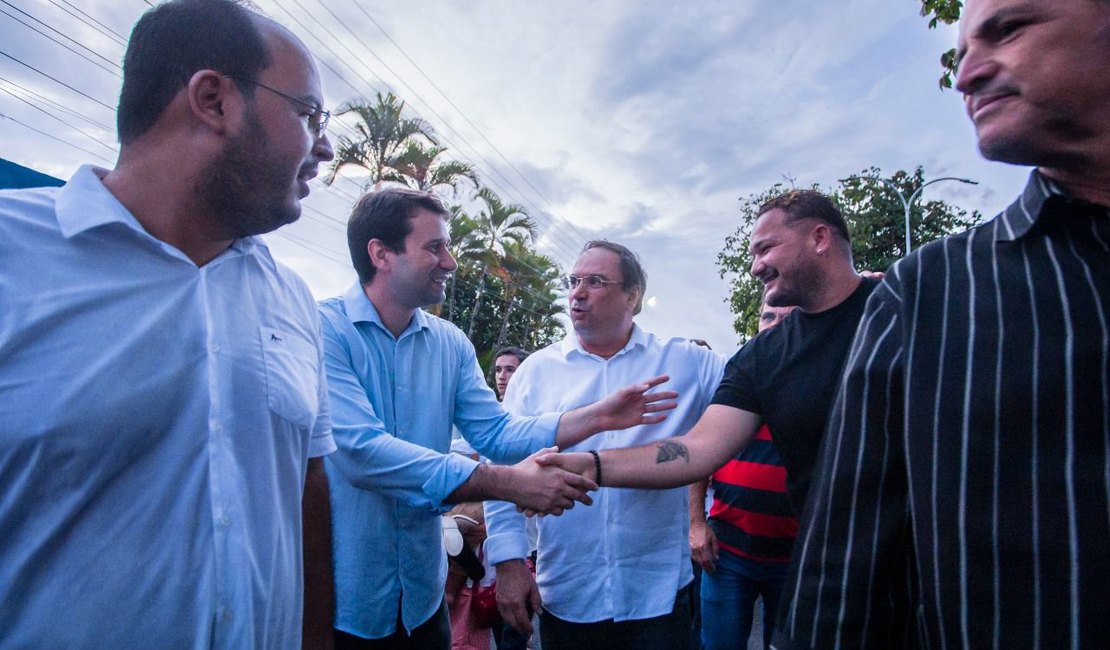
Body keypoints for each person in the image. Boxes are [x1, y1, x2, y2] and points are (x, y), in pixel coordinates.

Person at [0, 0, 336, 647]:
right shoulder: (12, 257)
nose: (322, 146)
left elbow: (308, 482)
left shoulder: (293, 300)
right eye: (308, 114)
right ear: (213, 99)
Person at [774, 1, 1110, 647]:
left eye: (1009, 28)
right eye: (958, 54)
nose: (965, 75)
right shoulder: (931, 290)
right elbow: (845, 575)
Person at [319, 190, 678, 649]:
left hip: (424, 603)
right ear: (381, 254)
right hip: (346, 604)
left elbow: (496, 431)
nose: (449, 262)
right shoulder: (325, 330)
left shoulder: (450, 344)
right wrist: (507, 483)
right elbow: (361, 453)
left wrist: (597, 417)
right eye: (435, 247)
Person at [538, 191, 878, 513]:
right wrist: (591, 464)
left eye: (766, 249)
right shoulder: (762, 357)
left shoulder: (905, 307)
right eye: (752, 255)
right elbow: (696, 449)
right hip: (830, 559)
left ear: (819, 239)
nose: (755, 268)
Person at [484, 240, 726, 650]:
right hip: (569, 596)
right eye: (574, 280)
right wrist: (509, 562)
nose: (577, 292)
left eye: (595, 281)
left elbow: (759, 383)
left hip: (659, 596)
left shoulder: (686, 364)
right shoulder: (536, 373)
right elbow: (501, 470)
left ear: (633, 295)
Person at [689, 299, 797, 650]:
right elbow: (698, 454)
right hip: (729, 552)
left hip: (796, 557)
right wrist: (696, 523)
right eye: (769, 316)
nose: (775, 325)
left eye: (789, 317)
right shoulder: (733, 384)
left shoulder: (824, 385)